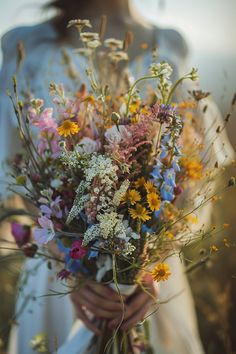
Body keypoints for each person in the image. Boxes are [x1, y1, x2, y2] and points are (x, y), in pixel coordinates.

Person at [1, 0, 233, 353]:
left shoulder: (168, 44)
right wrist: (70, 267)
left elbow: (195, 171)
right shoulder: (30, 46)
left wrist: (146, 266)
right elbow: (13, 173)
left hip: (145, 284)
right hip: (58, 274)